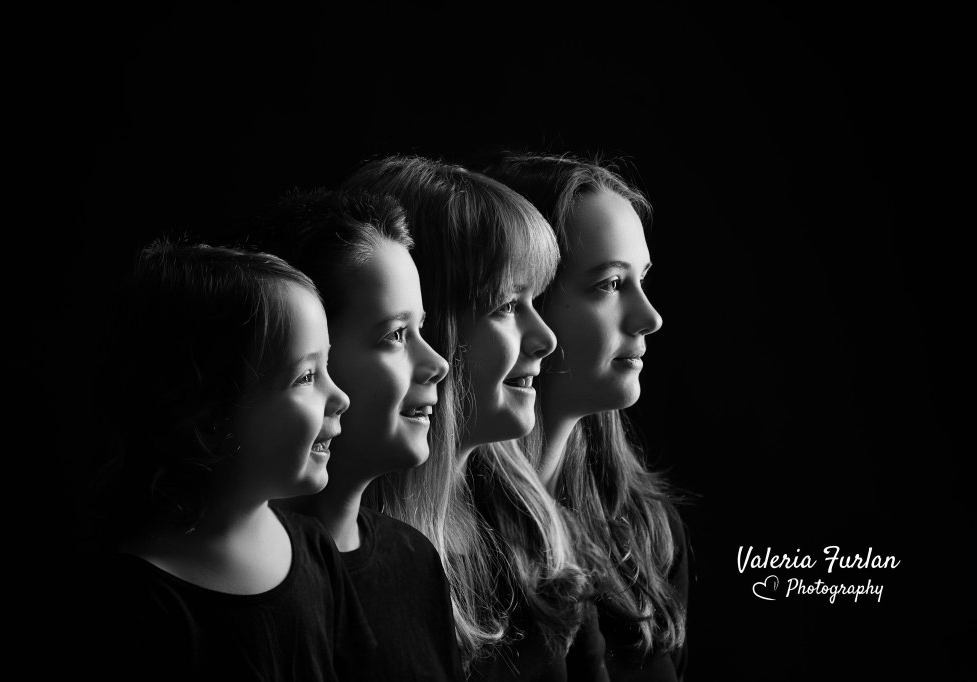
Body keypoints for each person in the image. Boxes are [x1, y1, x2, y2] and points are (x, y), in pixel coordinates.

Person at [343, 157, 601, 681]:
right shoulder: (343, 559)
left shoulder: (534, 525)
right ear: (432, 322)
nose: (545, 338)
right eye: (507, 306)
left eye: (535, 300)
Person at [79, 239, 374, 681]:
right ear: (212, 416)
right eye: (307, 376)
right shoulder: (137, 605)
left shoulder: (316, 550)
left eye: (327, 368)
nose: (340, 397)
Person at [482, 152, 689, 681]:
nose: (650, 317)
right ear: (526, 298)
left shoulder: (643, 527)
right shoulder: (461, 547)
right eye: (610, 285)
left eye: (642, 279)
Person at [249, 189, 464, 681]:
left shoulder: (414, 561)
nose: (438, 363)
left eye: (422, 329)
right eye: (395, 335)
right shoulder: (234, 593)